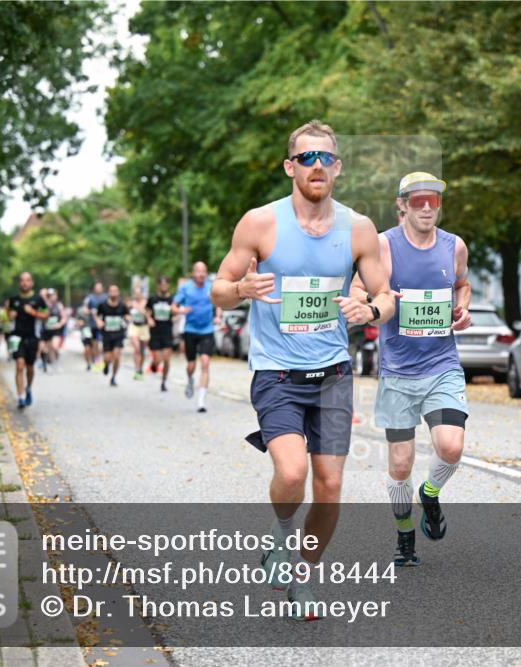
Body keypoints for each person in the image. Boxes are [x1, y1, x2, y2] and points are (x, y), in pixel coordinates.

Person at [210, 120, 394, 619]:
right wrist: (240, 291)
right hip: (277, 374)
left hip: (333, 373)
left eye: (326, 158)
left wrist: (371, 312)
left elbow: (385, 294)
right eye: (307, 158)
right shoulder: (260, 224)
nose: (317, 166)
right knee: (291, 473)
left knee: (330, 489)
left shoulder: (358, 229)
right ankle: (280, 537)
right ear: (290, 166)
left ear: (337, 167)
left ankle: (302, 577)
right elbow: (219, 288)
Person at [349, 172, 472, 567]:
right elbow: (357, 290)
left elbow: (463, 284)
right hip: (399, 372)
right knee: (400, 466)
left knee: (451, 447)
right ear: (401, 204)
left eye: (433, 201)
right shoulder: (384, 246)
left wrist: (463, 308)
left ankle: (431, 494)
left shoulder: (454, 247)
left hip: (442, 365)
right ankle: (405, 536)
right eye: (417, 200)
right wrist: (371, 303)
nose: (425, 207)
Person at [175, 262, 222, 412]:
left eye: (204, 271)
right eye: (198, 271)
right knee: (191, 365)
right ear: (193, 273)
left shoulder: (211, 287)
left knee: (205, 362)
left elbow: (218, 303)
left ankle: (201, 400)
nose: (201, 274)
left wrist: (217, 317)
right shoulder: (186, 288)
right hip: (190, 330)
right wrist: (181, 311)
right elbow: (173, 306)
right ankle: (190, 379)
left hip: (207, 330)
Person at [7, 272, 48, 409]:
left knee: (30, 367)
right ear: (20, 283)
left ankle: (28, 388)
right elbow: (7, 316)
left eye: (27, 280)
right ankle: (20, 397)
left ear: (32, 283)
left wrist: (34, 313)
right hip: (17, 337)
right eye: (22, 280)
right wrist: (10, 316)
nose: (25, 283)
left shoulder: (38, 300)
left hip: (32, 337)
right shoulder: (13, 299)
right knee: (19, 365)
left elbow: (46, 315)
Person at [147, 276, 180, 392]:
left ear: (168, 286)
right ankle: (154, 364)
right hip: (155, 332)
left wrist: (176, 316)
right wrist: (149, 319)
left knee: (166, 359)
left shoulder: (172, 299)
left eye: (166, 285)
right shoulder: (153, 299)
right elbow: (147, 311)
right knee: (157, 359)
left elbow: (176, 312)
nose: (164, 286)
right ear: (158, 286)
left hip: (167, 332)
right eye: (162, 284)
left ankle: (164, 381)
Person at [95, 284, 129, 387]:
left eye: (115, 291)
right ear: (108, 292)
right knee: (107, 358)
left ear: (118, 293)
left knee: (117, 356)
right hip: (107, 334)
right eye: (111, 291)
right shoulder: (102, 305)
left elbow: (127, 315)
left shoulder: (122, 305)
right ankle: (106, 365)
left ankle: (113, 377)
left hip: (118, 334)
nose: (113, 293)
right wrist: (99, 322)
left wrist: (128, 318)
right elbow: (97, 316)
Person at [40, 289, 69, 372]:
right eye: (50, 295)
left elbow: (64, 317)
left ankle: (55, 363)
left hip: (56, 330)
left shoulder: (59, 305)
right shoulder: (44, 305)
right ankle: (49, 363)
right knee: (45, 348)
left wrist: (59, 324)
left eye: (54, 295)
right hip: (46, 330)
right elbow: (40, 316)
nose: (52, 297)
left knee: (54, 346)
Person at [127, 285, 151, 381]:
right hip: (134, 326)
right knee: (136, 349)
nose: (137, 295)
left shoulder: (146, 302)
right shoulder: (130, 303)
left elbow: (149, 315)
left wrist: (142, 310)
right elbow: (126, 314)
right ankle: (136, 368)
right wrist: (128, 317)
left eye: (139, 293)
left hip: (144, 327)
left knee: (142, 351)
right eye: (135, 293)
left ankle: (140, 369)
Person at [84, 282, 107, 371]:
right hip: (93, 325)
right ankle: (96, 361)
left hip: (104, 325)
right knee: (95, 344)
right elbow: (85, 310)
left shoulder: (106, 297)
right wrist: (91, 312)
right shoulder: (90, 298)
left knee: (104, 344)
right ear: (94, 288)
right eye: (97, 287)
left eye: (100, 287)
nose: (98, 289)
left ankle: (103, 360)